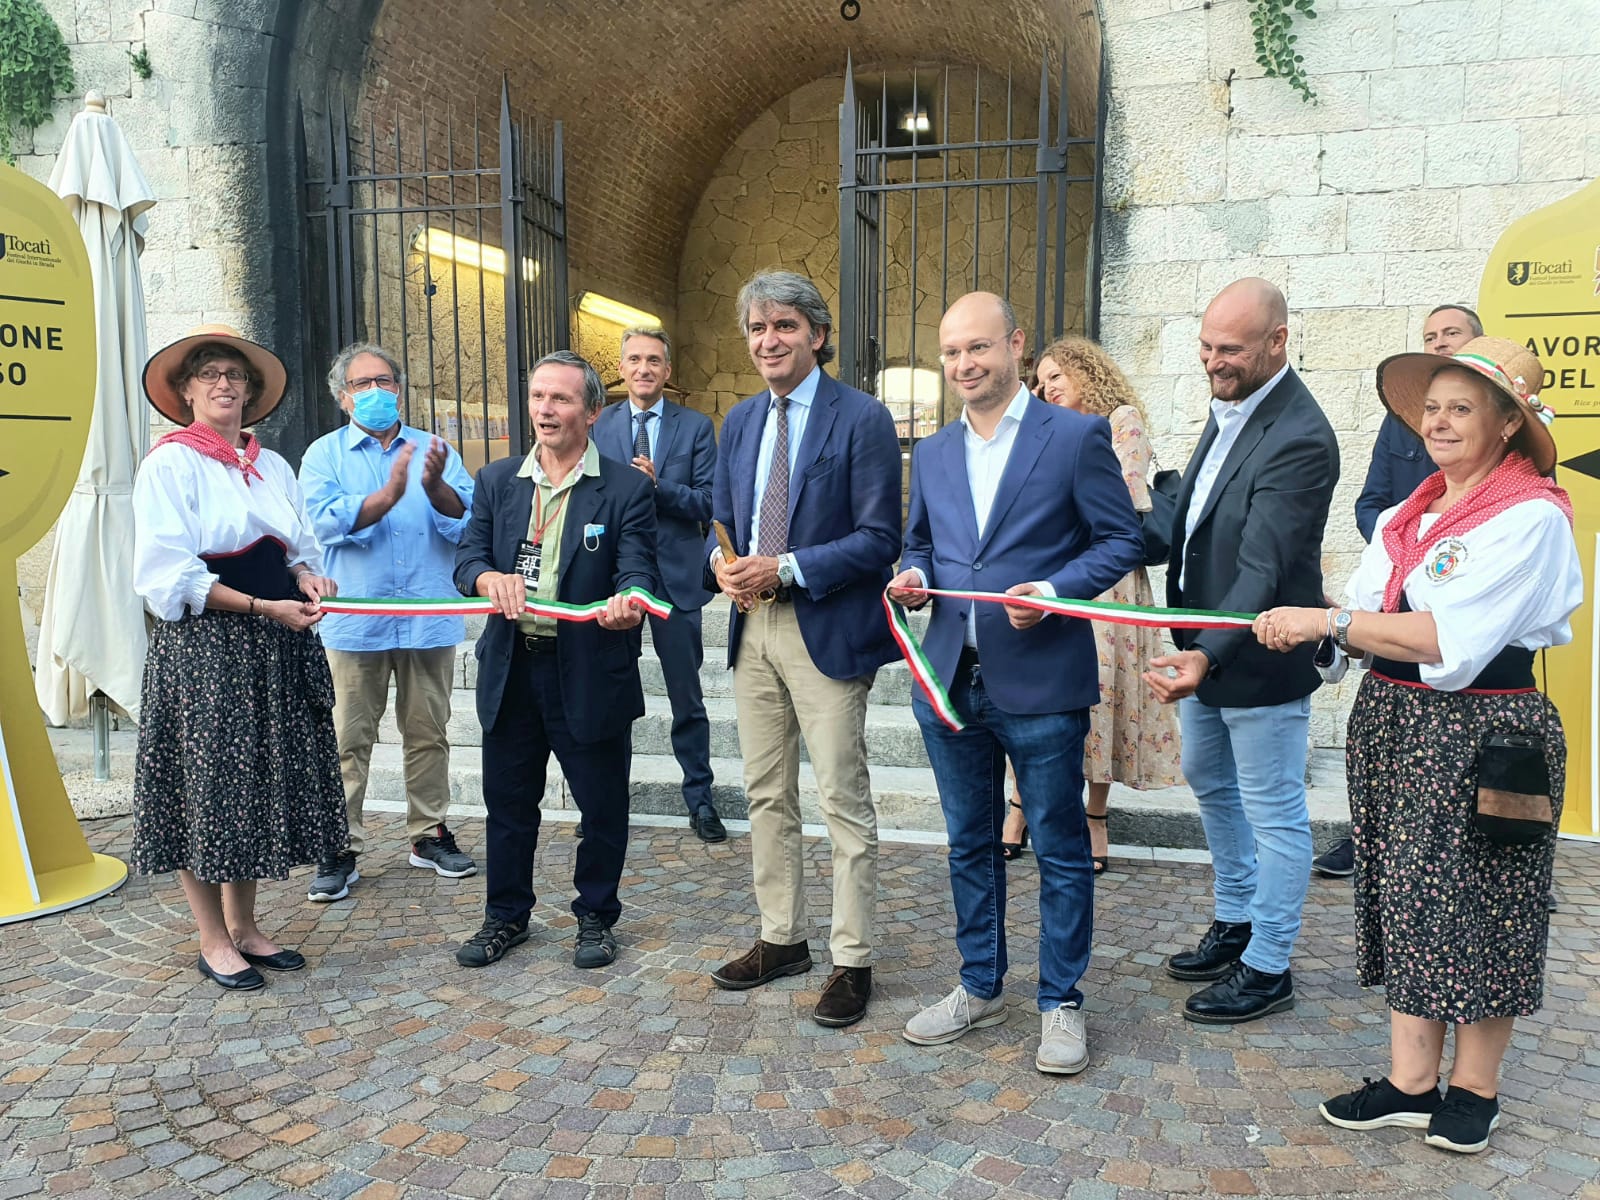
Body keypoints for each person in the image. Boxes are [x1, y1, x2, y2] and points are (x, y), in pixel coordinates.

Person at [1253, 337, 1577, 1156]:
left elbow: (1447, 637)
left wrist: (1330, 622)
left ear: (1508, 424)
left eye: (1461, 407)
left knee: (1487, 901)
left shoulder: (1530, 515)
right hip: (1395, 720)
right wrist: (1317, 630)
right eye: (1431, 406)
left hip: (1488, 731)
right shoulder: (1410, 515)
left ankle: (1475, 1092)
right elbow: (1365, 614)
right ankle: (1407, 1083)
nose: (1438, 421)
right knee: (1403, 895)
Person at [891, 294, 1143, 1073]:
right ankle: (979, 984)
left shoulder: (1074, 436)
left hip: (1041, 678)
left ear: (1015, 344)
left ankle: (1061, 1003)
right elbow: (924, 544)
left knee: (1061, 849)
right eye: (952, 353)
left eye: (979, 348)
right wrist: (913, 575)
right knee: (970, 843)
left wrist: (1057, 591)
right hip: (950, 680)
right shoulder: (932, 453)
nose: (965, 365)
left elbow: (1119, 539)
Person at [706, 270, 902, 1029]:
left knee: (841, 800)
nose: (768, 341)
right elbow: (722, 525)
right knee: (765, 793)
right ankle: (781, 938)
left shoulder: (862, 419)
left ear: (818, 334)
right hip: (753, 627)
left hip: (824, 624)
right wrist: (721, 569)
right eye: (756, 329)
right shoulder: (741, 421)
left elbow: (880, 537)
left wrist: (785, 566)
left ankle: (853, 959)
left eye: (783, 326)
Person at [1143, 278, 1339, 1025]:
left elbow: (1261, 566)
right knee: (1209, 781)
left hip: (1257, 658)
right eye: (1205, 346)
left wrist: (1208, 653)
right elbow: (1189, 517)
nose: (1213, 362)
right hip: (1207, 649)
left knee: (1274, 811)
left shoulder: (1300, 434)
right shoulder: (1232, 406)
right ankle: (1237, 919)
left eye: (1229, 349)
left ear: (1277, 342)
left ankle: (1268, 966)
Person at [131, 324, 345, 991]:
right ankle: (212, 937)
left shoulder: (271, 464)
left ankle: (247, 928)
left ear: (251, 392)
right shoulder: (169, 463)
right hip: (207, 649)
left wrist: (309, 578)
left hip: (273, 645)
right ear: (187, 391)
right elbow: (169, 573)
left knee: (251, 786)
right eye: (210, 375)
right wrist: (260, 607)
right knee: (204, 789)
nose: (225, 385)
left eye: (235, 376)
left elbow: (299, 545)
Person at [451, 351, 657, 971]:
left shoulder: (624, 487)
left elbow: (639, 571)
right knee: (509, 803)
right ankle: (504, 917)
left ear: (592, 411)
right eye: (539, 396)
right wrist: (488, 579)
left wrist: (631, 602)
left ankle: (596, 916)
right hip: (513, 667)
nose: (545, 409)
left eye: (561, 398)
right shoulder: (495, 482)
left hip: (590, 670)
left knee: (601, 805)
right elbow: (465, 562)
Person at [298, 343, 477, 902]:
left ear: (399, 387)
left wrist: (432, 487)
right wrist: (387, 496)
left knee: (429, 733)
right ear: (342, 397)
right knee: (348, 739)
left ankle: (428, 834)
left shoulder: (434, 448)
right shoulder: (323, 454)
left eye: (383, 381)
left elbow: (469, 521)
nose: (374, 392)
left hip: (426, 615)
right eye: (361, 384)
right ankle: (339, 845)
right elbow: (323, 524)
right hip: (358, 621)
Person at [1316, 304, 1485, 879]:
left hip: (1460, 627)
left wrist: (1420, 557)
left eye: (1451, 334)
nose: (1440, 344)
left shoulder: (1520, 492)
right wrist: (1400, 555)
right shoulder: (1399, 424)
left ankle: (1498, 850)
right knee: (1387, 745)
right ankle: (1369, 837)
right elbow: (1372, 505)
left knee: (1458, 786)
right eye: (1429, 336)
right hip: (1396, 609)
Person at [1000, 337, 1182, 868]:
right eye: (1040, 381)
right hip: (1054, 574)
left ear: (1087, 373)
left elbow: (1121, 502)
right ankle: (1019, 807)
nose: (1046, 387)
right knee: (1037, 693)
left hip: (1110, 581)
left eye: (1056, 376)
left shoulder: (1119, 419)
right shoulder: (1042, 430)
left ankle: (1095, 816)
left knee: (1103, 696)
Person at [592, 327, 724, 842]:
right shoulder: (599, 426)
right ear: (621, 370)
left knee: (686, 697)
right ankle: (605, 804)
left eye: (653, 361)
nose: (643, 369)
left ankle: (701, 800)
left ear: (667, 371)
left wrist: (657, 487)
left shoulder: (695, 427)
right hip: (614, 580)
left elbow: (709, 502)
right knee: (610, 697)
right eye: (634, 360)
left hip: (676, 580)